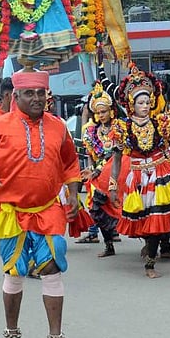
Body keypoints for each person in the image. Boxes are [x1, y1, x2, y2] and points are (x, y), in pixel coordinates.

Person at [0, 67, 81, 338]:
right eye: (29, 93)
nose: (37, 98)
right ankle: (11, 335)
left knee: (52, 269)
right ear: (15, 96)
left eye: (41, 93)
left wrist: (74, 192)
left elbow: (70, 164)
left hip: (49, 210)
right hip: (11, 213)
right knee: (14, 273)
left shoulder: (59, 127)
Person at [109, 65, 170, 278]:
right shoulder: (122, 127)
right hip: (137, 177)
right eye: (140, 103)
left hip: (160, 174)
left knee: (156, 218)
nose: (145, 106)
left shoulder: (161, 122)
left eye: (147, 102)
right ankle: (150, 251)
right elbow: (117, 159)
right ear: (131, 104)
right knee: (146, 219)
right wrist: (113, 185)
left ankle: (150, 264)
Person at [78, 81, 122, 257]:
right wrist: (91, 169)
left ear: (111, 111)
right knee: (98, 210)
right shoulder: (92, 132)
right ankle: (109, 244)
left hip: (118, 172)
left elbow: (117, 154)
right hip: (97, 176)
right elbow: (91, 155)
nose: (101, 115)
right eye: (98, 112)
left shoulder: (119, 127)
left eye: (104, 111)